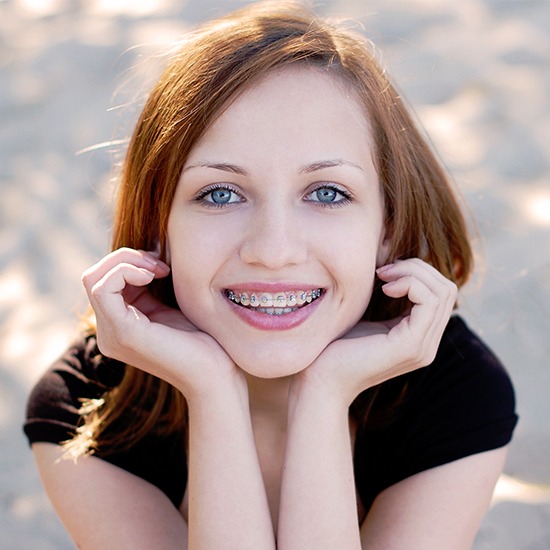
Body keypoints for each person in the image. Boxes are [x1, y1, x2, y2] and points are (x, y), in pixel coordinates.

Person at [24, 2, 517, 548]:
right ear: (158, 226)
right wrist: (211, 391)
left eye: (327, 192)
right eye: (220, 193)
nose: (273, 250)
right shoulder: (88, 408)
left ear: (387, 225)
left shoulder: (455, 387)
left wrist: (324, 395)